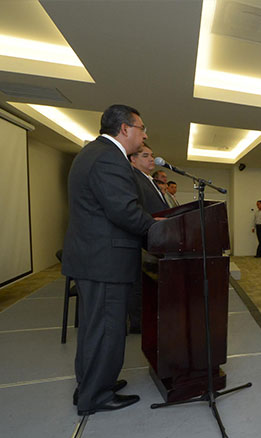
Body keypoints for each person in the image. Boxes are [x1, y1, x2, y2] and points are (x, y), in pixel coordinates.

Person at [62, 104, 158, 415]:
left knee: (95, 329)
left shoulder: (94, 152)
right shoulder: (108, 158)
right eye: (142, 128)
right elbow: (124, 211)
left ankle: (90, 385)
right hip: (104, 261)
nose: (145, 135)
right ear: (125, 129)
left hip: (94, 259)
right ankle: (96, 396)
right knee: (106, 330)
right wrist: (158, 229)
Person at [126, 143, 167, 334]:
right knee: (139, 285)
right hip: (142, 238)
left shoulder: (148, 179)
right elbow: (136, 209)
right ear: (133, 160)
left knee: (147, 284)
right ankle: (139, 323)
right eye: (145, 156)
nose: (151, 159)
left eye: (152, 155)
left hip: (155, 238)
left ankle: (147, 318)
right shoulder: (133, 178)